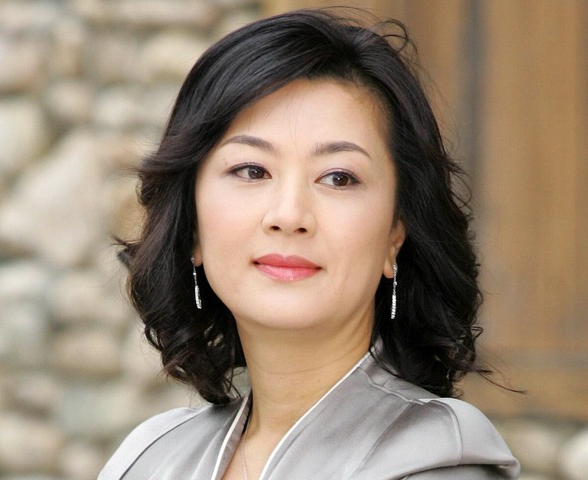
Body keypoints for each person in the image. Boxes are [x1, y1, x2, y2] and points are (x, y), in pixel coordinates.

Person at [99, 8, 520, 480]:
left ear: (394, 235)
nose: (289, 216)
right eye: (252, 171)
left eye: (338, 178)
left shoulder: (437, 465)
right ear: (192, 224)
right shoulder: (150, 459)